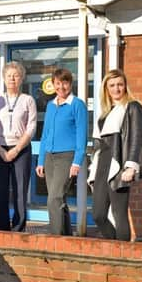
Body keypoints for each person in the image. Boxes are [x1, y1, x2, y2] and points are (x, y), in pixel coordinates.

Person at [88, 69, 142, 241]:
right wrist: (93, 170)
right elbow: (98, 147)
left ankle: (122, 255)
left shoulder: (133, 107)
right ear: (106, 88)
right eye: (112, 85)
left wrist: (131, 166)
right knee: (98, 214)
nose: (116, 89)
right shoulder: (104, 114)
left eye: (120, 84)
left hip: (119, 165)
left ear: (125, 86)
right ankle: (116, 248)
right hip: (101, 166)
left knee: (119, 214)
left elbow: (136, 138)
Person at [36, 68, 88, 236]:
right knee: (60, 199)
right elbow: (45, 135)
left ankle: (55, 239)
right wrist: (40, 160)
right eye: (57, 83)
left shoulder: (77, 105)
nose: (61, 87)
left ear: (70, 84)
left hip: (67, 157)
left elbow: (82, 135)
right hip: (50, 158)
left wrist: (77, 161)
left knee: (54, 198)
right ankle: (66, 238)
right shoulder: (51, 105)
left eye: (64, 83)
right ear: (53, 84)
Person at [0, 62, 37, 232]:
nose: (12, 79)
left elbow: (31, 128)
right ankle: (2, 228)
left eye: (16, 75)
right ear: (3, 78)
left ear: (21, 78)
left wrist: (16, 150)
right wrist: (2, 151)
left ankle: (18, 228)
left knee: (20, 190)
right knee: (1, 190)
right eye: (9, 75)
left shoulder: (28, 100)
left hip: (21, 149)